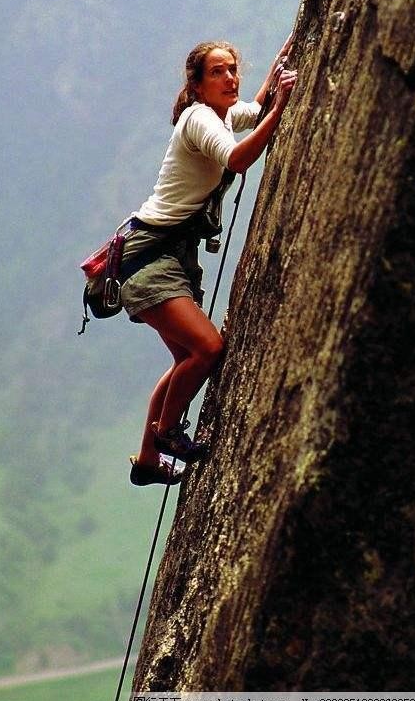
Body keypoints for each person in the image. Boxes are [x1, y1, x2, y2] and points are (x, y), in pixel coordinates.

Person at [123, 36, 296, 486]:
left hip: (164, 259)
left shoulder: (217, 113)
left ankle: (146, 460)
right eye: (217, 71)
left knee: (185, 360)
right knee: (208, 349)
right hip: (152, 262)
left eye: (233, 69)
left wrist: (279, 64)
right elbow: (238, 157)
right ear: (197, 86)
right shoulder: (199, 118)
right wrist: (279, 112)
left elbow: (251, 113)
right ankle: (165, 433)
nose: (230, 78)